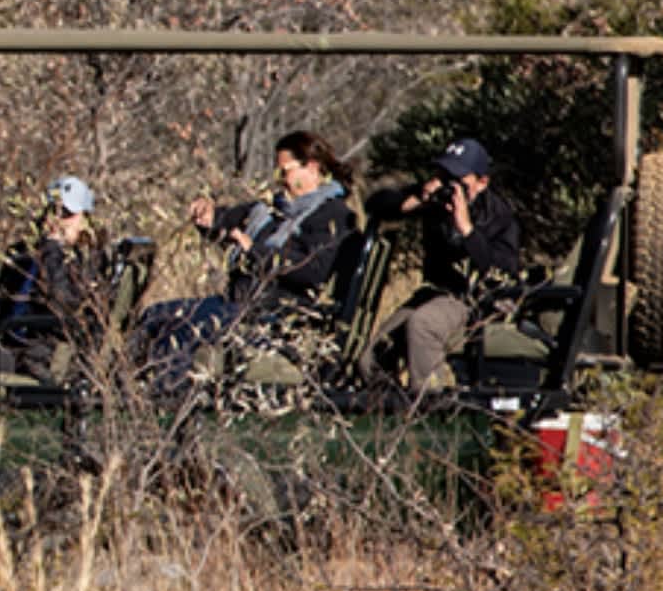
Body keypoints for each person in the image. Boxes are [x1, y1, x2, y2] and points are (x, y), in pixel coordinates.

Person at [137, 130, 355, 379]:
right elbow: (227, 220)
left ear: (313, 168)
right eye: (277, 173)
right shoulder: (271, 208)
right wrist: (207, 216)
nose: (280, 179)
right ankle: (128, 393)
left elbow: (313, 272)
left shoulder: (332, 216)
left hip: (276, 312)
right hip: (237, 304)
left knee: (186, 328)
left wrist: (255, 252)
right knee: (154, 316)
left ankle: (167, 398)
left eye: (286, 171)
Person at [367, 137, 524, 395]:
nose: (451, 185)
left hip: (476, 299)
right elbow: (376, 204)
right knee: (371, 355)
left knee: (423, 325)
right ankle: (386, 411)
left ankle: (434, 407)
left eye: (459, 179)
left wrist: (467, 230)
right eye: (443, 174)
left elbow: (499, 271)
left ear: (482, 183)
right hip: (437, 292)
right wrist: (417, 198)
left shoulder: (498, 216)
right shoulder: (437, 203)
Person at [0, 175, 109, 382]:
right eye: (53, 210)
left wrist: (53, 251)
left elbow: (63, 304)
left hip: (38, 355)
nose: (57, 220)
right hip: (0, 342)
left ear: (85, 219)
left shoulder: (88, 260)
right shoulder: (22, 254)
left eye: (67, 214)